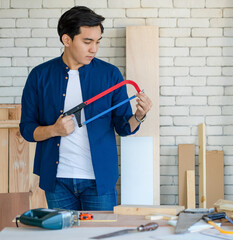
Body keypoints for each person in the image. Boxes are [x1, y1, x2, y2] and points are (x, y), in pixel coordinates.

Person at [20, 6, 152, 211]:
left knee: (99, 235)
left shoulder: (110, 75)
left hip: (98, 182)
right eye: (87, 42)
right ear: (67, 40)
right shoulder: (39, 76)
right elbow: (27, 130)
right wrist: (54, 130)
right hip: (57, 181)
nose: (94, 49)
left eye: (98, 42)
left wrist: (140, 115)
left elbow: (124, 128)